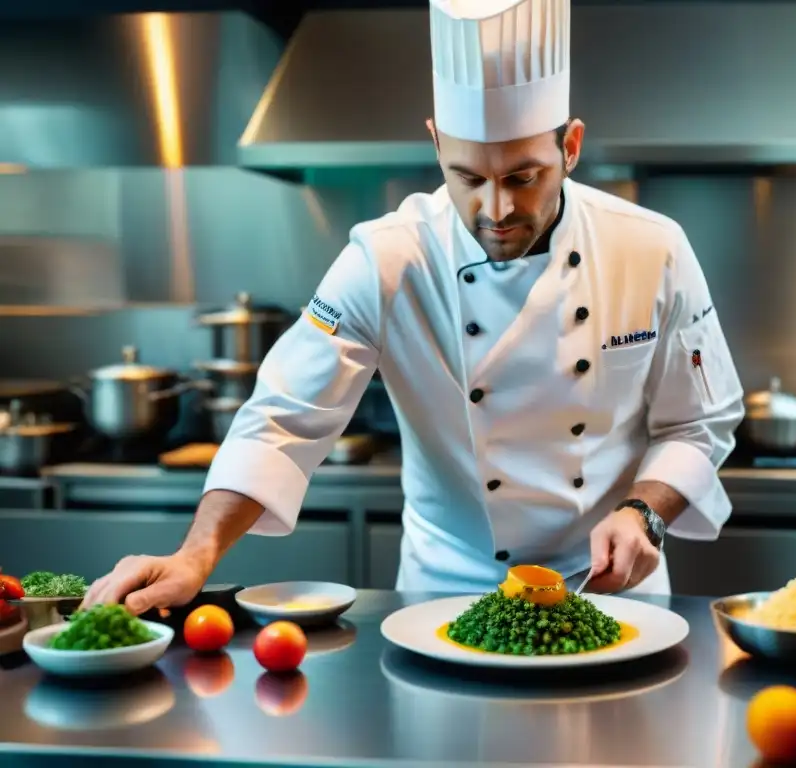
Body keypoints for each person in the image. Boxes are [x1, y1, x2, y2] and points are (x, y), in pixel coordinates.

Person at [82, 0, 744, 615]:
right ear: (436, 145)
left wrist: (644, 513)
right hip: (449, 595)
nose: (497, 210)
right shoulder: (387, 259)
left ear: (569, 147)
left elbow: (701, 421)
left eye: (523, 177)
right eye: (467, 178)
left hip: (612, 593)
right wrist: (198, 553)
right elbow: (281, 420)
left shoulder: (651, 249)